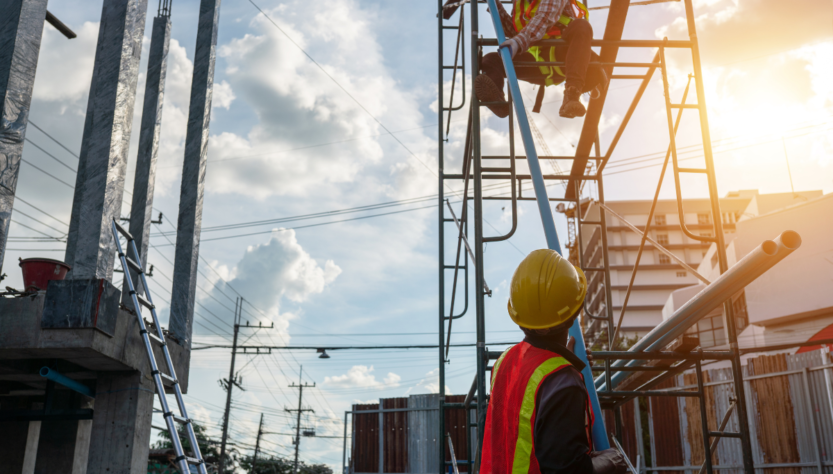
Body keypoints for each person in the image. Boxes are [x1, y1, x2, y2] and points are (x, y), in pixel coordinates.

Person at [480, 249, 628, 474]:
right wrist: (611, 461)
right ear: (574, 312)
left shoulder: (504, 362)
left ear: (519, 318)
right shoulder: (564, 382)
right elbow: (567, 469)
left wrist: (563, 357)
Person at [475, 0, 608, 119]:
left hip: (565, 54)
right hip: (538, 62)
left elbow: (546, 16)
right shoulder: (521, 4)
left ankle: (572, 93)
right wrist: (494, 5)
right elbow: (514, 32)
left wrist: (518, 42)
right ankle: (497, 101)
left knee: (581, 25)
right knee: (491, 60)